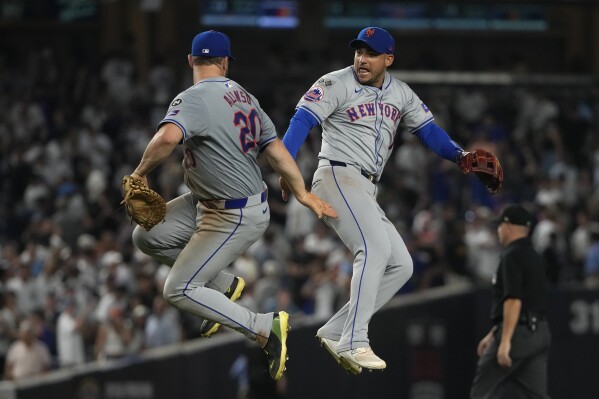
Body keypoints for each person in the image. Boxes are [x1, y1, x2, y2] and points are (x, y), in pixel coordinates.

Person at [128, 30, 336, 381]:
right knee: (146, 236)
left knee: (178, 289)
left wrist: (139, 173)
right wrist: (300, 190)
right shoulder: (245, 97)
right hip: (211, 201)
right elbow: (277, 151)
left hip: (233, 215)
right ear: (225, 63)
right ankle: (223, 285)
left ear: (191, 60)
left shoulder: (192, 98)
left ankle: (263, 327)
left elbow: (166, 138)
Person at [281, 26, 479, 373]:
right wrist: (287, 167)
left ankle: (337, 328)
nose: (361, 59)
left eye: (371, 53)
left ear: (388, 58)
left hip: (365, 187)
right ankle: (355, 341)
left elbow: (429, 131)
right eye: (359, 51)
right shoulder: (335, 82)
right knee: (372, 249)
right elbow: (301, 121)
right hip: (336, 176)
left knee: (402, 265)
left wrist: (460, 156)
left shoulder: (400, 93)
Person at [470, 205, 551, 398]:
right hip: (540, 332)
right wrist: (494, 332)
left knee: (481, 394)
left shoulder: (511, 256)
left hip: (517, 335)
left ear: (508, 226)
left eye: (499, 226)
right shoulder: (536, 257)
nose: (498, 230)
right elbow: (529, 299)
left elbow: (514, 300)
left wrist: (505, 341)